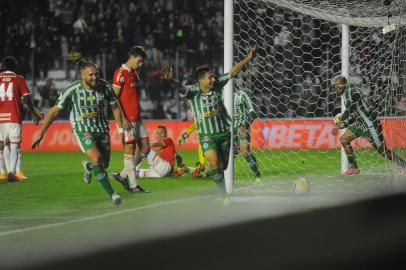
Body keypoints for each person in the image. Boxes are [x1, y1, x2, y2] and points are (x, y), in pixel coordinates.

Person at [161, 46, 257, 205]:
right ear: (201, 80)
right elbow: (180, 88)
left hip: (224, 134)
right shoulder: (193, 91)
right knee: (213, 163)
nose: (213, 79)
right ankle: (224, 196)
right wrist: (170, 80)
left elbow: (233, 72)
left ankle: (217, 177)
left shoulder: (218, 85)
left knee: (223, 167)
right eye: (210, 77)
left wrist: (248, 58)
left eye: (213, 77)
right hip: (207, 136)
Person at [32, 59, 125, 205]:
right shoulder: (73, 89)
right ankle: (113, 194)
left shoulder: (105, 87)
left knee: (104, 164)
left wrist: (121, 130)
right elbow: (55, 110)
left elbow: (115, 107)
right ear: (82, 76)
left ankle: (88, 166)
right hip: (83, 128)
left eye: (97, 74)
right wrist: (42, 132)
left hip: (101, 128)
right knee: (96, 159)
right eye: (91, 75)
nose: (95, 77)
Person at [331, 75, 406, 175]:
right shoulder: (346, 94)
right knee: (344, 139)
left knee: (383, 151)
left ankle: (404, 165)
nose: (336, 88)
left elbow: (348, 110)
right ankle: (354, 167)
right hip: (361, 124)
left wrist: (337, 125)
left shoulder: (349, 92)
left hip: (370, 124)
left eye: (337, 85)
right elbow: (354, 115)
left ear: (342, 85)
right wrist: (344, 125)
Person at [109, 46, 150, 193]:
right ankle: (133, 185)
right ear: (132, 56)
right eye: (139, 61)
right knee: (130, 150)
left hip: (137, 118)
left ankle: (122, 175)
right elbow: (113, 99)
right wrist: (122, 121)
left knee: (145, 148)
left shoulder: (134, 73)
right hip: (128, 120)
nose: (140, 65)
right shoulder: (120, 73)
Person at [0, 56, 43, 182]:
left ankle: (5, 172)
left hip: (0, 118)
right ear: (15, 66)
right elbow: (26, 99)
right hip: (13, 116)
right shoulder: (19, 79)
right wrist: (34, 113)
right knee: (14, 146)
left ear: (3, 66)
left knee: (4, 146)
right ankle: (12, 173)